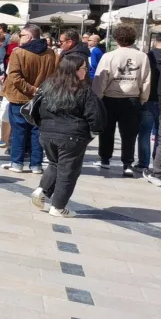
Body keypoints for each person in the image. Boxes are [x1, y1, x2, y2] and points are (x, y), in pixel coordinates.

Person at [30, 53, 106, 218]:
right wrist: (93, 132)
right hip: (72, 136)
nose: (86, 72)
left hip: (47, 133)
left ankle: (42, 191)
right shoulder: (83, 90)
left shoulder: (47, 85)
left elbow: (35, 108)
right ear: (75, 70)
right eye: (84, 69)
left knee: (55, 163)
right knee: (68, 171)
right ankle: (58, 207)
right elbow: (96, 116)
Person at [92, 25, 151, 177]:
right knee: (129, 134)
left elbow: (101, 79)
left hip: (110, 98)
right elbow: (146, 80)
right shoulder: (142, 56)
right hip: (132, 98)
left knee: (106, 130)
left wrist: (97, 97)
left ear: (116, 38)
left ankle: (105, 159)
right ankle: (127, 164)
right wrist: (143, 98)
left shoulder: (109, 56)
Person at [2, 24, 57, 174]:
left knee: (19, 130)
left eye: (21, 35)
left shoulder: (18, 53)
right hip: (41, 98)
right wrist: (40, 90)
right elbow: (54, 76)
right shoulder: (51, 53)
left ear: (30, 37)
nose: (19, 38)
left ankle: (17, 163)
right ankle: (36, 165)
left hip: (20, 97)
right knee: (37, 131)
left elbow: (14, 77)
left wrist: (32, 89)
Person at [139, 32, 161, 173]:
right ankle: (158, 163)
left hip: (148, 98)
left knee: (144, 133)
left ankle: (143, 163)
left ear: (156, 41)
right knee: (160, 135)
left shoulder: (147, 57)